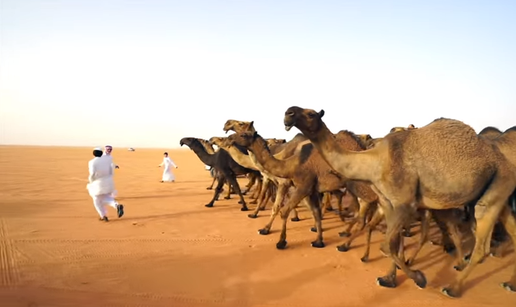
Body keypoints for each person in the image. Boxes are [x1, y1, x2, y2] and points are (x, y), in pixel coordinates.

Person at [87, 147, 124, 222]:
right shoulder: (107, 160)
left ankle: (103, 216)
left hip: (98, 183)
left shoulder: (92, 162)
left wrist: (91, 181)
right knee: (106, 197)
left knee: (96, 200)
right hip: (109, 182)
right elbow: (112, 169)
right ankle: (116, 205)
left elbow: (92, 174)